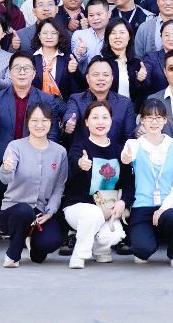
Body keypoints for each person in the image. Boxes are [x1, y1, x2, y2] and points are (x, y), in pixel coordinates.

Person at [0, 51, 61, 229]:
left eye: (27, 68)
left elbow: (52, 135)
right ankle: (7, 218)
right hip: (3, 160)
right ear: (9, 73)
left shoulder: (46, 100)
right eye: (17, 68)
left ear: (34, 73)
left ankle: (21, 221)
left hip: (36, 162)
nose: (22, 72)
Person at [0, 102, 68, 267]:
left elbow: (59, 187)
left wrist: (50, 212)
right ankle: (13, 255)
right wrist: (6, 168)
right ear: (27, 122)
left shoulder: (60, 152)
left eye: (44, 120)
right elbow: (5, 179)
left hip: (41, 213)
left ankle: (33, 243)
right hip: (13, 212)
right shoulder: (15, 147)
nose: (39, 125)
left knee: (47, 246)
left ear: (51, 122)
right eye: (34, 120)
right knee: (24, 211)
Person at [62, 99, 132, 268]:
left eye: (105, 117)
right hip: (78, 208)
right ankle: (79, 255)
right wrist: (80, 164)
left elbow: (129, 184)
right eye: (95, 118)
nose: (100, 122)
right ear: (86, 122)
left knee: (114, 236)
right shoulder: (79, 147)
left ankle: (100, 250)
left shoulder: (119, 151)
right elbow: (73, 162)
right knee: (92, 213)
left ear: (111, 121)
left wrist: (123, 202)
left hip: (106, 209)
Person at [120, 99, 173, 267]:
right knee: (142, 251)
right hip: (141, 206)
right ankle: (148, 242)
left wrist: (164, 208)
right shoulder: (134, 144)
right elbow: (125, 157)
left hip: (167, 206)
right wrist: (126, 158)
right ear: (142, 120)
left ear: (165, 120)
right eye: (149, 117)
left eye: (158, 118)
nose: (154, 122)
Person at [61, 56, 137, 147]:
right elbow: (70, 116)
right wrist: (68, 124)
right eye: (96, 75)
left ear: (112, 78)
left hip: (115, 154)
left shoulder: (125, 103)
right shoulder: (76, 99)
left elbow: (129, 136)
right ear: (87, 78)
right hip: (83, 153)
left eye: (106, 75)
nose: (101, 78)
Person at [99, 18, 148, 105]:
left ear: (129, 36)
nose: (117, 36)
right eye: (113, 33)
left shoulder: (137, 64)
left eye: (122, 32)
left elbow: (142, 94)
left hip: (131, 111)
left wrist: (141, 81)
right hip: (105, 110)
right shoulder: (99, 61)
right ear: (107, 37)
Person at [30, 17, 80, 102]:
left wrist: (75, 72)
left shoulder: (68, 58)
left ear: (59, 35)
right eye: (45, 33)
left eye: (53, 33)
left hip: (62, 106)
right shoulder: (29, 57)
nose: (49, 37)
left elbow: (79, 89)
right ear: (39, 35)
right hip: (35, 106)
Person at [69, 0, 110, 67]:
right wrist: (81, 52)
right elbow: (77, 60)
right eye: (91, 15)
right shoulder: (80, 35)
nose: (95, 18)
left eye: (99, 14)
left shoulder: (115, 35)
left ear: (109, 14)